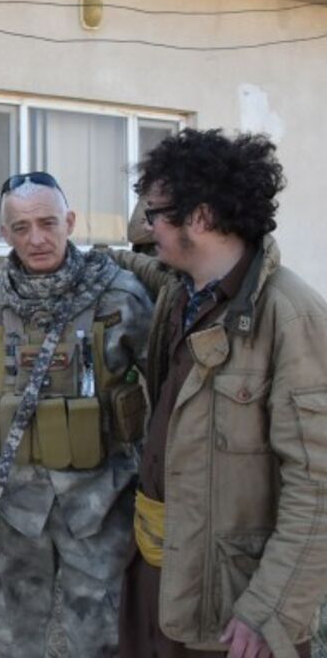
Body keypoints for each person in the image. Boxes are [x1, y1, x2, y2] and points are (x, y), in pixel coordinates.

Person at [0, 172, 152, 657]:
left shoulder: (120, 297)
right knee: (13, 638)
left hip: (101, 504)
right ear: (5, 234)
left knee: (103, 637)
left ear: (70, 222)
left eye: (47, 223)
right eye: (21, 228)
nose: (36, 238)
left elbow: (171, 391)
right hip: (14, 510)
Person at [114, 130, 327, 658]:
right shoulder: (180, 292)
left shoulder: (289, 316)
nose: (148, 227)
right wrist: (82, 256)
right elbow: (141, 265)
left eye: (156, 214)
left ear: (202, 217)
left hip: (234, 611)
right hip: (161, 578)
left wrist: (271, 610)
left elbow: (317, 484)